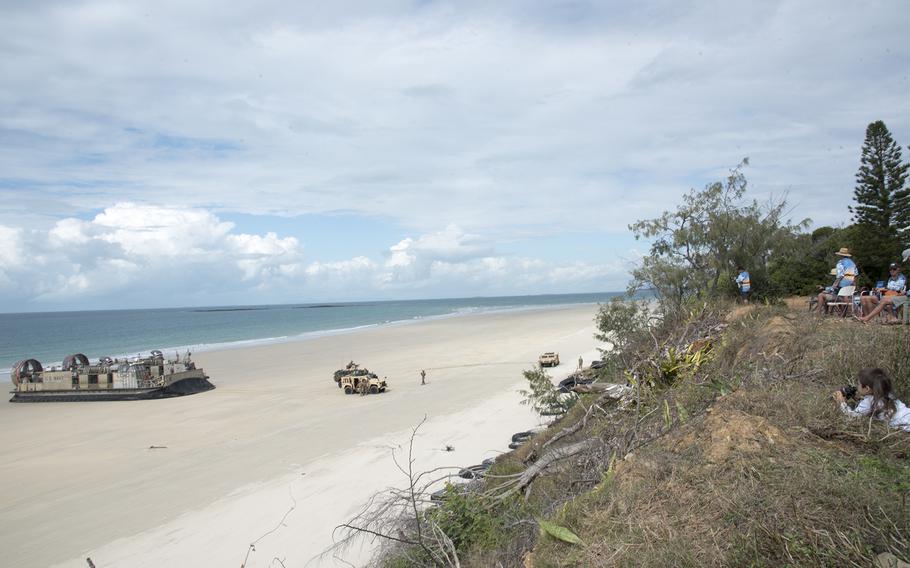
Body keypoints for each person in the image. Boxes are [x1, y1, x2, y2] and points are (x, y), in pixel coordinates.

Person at [833, 368, 910, 432]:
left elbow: (852, 415)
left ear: (867, 388)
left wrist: (841, 402)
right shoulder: (888, 394)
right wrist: (858, 399)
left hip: (906, 424)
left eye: (859, 384)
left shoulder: (869, 402)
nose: (857, 386)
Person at [816, 247, 857, 314]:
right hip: (850, 288)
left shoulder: (840, 263)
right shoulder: (852, 263)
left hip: (839, 293)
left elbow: (840, 276)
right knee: (845, 297)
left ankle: (818, 313)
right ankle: (850, 312)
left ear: (840, 255)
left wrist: (831, 287)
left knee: (821, 295)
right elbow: (855, 275)